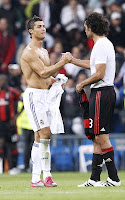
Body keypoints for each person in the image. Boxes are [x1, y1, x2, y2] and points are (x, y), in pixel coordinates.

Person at [65, 12, 121, 187]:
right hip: (101, 92)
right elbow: (93, 65)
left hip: (102, 92)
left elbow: (99, 73)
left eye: (85, 26)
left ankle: (114, 178)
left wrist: (82, 83)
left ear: (91, 27)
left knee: (102, 136)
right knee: (97, 137)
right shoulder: (101, 44)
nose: (84, 29)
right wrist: (73, 60)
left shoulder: (101, 44)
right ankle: (94, 179)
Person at [21, 15, 70, 187]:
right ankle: (47, 175)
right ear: (31, 31)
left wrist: (57, 82)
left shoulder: (44, 52)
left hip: (44, 95)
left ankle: (36, 178)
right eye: (39, 26)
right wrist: (62, 62)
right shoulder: (29, 52)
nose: (43, 28)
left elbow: (47, 78)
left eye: (43, 26)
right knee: (46, 133)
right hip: (34, 96)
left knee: (39, 137)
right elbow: (42, 73)